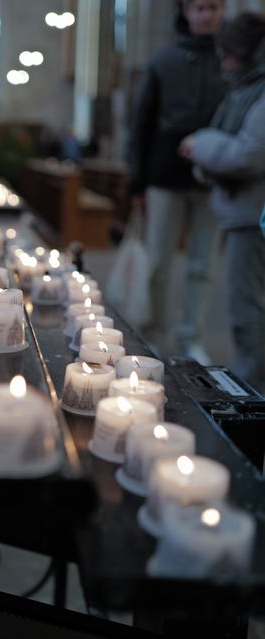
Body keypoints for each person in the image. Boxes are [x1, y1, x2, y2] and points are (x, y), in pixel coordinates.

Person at [128, 0, 227, 363]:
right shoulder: (163, 60)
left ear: (223, 10)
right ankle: (155, 334)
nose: (206, 15)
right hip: (165, 175)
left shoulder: (231, 60)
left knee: (203, 264)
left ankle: (191, 337)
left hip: (214, 176)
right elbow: (141, 125)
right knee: (158, 259)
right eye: (199, 8)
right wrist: (136, 183)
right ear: (186, 12)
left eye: (213, 8)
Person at [180, 12, 265, 392]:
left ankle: (252, 409)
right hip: (241, 213)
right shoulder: (245, 90)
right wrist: (207, 152)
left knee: (249, 315)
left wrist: (200, 145)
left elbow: (249, 155)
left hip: (253, 216)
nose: (223, 62)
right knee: (245, 310)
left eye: (229, 54)